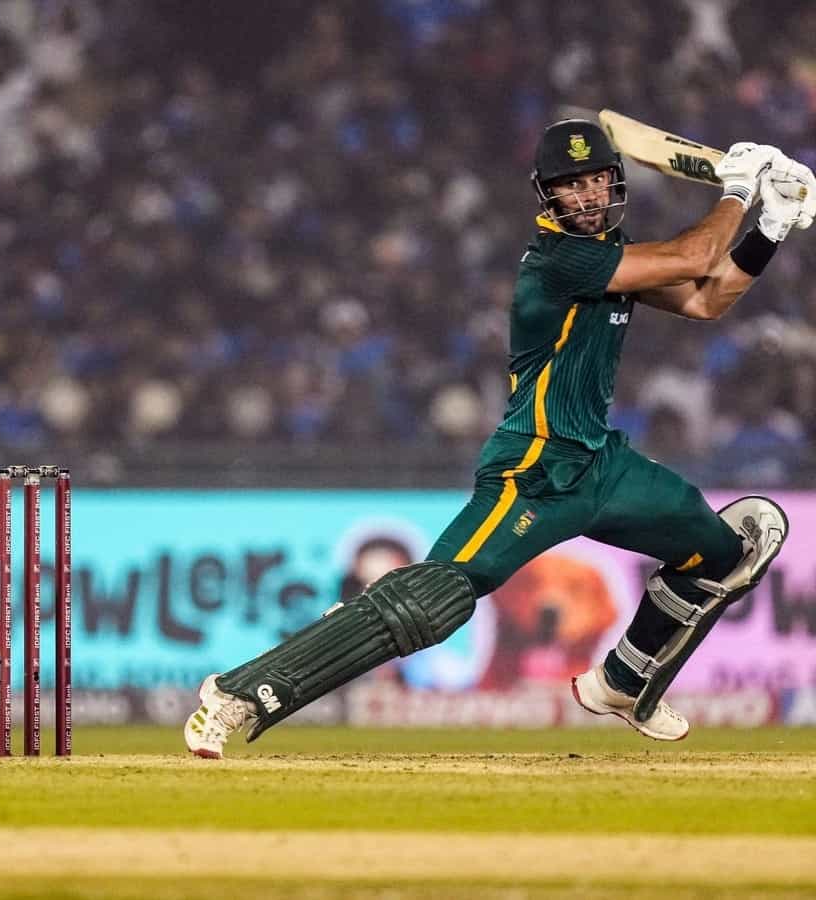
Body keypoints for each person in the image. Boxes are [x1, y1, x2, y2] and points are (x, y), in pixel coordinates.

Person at [185, 120, 808, 758]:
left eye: (596, 180)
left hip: (601, 466)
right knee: (434, 599)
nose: (587, 196)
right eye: (571, 186)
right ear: (548, 195)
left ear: (614, 182)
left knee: (722, 554)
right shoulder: (560, 259)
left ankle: (622, 682)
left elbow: (706, 300)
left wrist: (772, 224)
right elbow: (695, 258)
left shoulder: (613, 256)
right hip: (534, 468)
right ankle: (239, 693)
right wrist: (738, 190)